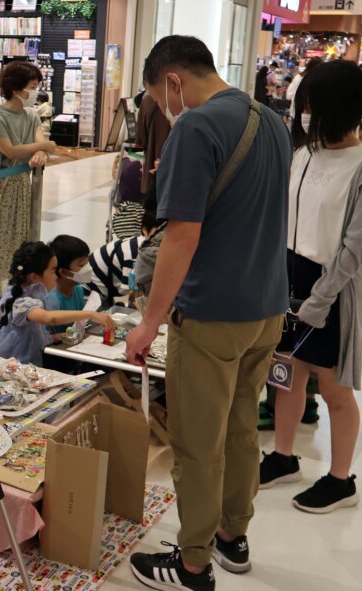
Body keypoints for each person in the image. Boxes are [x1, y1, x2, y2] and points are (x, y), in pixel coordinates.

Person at [124, 36, 291, 591]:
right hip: (266, 305)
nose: (163, 111)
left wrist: (149, 321)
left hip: (212, 311)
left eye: (157, 98)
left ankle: (192, 564)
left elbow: (181, 236)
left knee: (197, 440)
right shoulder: (269, 119)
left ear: (173, 81)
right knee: (243, 426)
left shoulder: (195, 128)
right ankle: (231, 535)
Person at [259, 61, 362, 514]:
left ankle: (340, 480)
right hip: (287, 276)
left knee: (333, 388)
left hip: (332, 285)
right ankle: (283, 455)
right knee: (286, 375)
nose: (307, 116)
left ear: (343, 109)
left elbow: (357, 246)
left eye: (315, 108)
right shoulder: (303, 153)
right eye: (304, 107)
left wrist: (320, 299)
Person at [0, 61, 56, 301]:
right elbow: (11, 151)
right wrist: (43, 146)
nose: (35, 92)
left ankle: (13, 293)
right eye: (32, 86)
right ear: (16, 89)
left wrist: (40, 152)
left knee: (17, 242)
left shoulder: (31, 114)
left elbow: (39, 142)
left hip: (20, 188)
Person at [0, 241, 113, 366]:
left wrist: (58, 337)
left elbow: (33, 333)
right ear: (34, 277)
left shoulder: (34, 294)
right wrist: (89, 314)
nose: (55, 276)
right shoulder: (20, 302)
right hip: (11, 365)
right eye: (52, 270)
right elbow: (49, 318)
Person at [86, 210, 157, 306]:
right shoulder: (136, 252)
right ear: (145, 230)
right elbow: (133, 291)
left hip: (104, 289)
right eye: (157, 232)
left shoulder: (144, 246)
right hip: (91, 292)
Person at [46, 235, 90, 335]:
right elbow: (47, 339)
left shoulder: (78, 290)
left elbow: (77, 326)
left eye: (87, 263)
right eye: (81, 265)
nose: (88, 268)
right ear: (64, 272)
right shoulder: (50, 300)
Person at [134, 92, 171, 212]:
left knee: (149, 217)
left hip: (150, 171)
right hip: (173, 175)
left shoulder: (147, 101)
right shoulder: (183, 100)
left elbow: (139, 141)